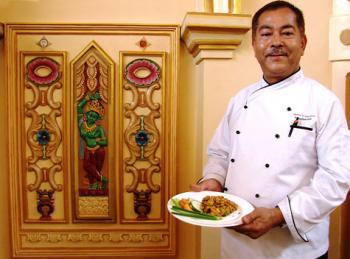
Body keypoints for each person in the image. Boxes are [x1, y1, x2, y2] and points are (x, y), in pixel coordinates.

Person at [190, 1, 350, 258]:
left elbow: (336, 178)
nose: (276, 41)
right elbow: (220, 154)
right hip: (236, 243)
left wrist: (280, 215)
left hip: (295, 250)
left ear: (303, 42)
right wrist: (213, 180)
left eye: (287, 33)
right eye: (266, 33)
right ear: (254, 45)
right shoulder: (240, 99)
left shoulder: (324, 101)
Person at [78, 92, 108, 191]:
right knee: (86, 166)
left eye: (94, 117)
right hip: (87, 149)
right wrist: (86, 99)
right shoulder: (82, 124)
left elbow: (105, 142)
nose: (91, 118)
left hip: (99, 151)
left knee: (95, 169)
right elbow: (78, 108)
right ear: (87, 114)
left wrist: (98, 141)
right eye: (90, 115)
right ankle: (103, 179)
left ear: (97, 118)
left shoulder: (99, 129)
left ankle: (94, 186)